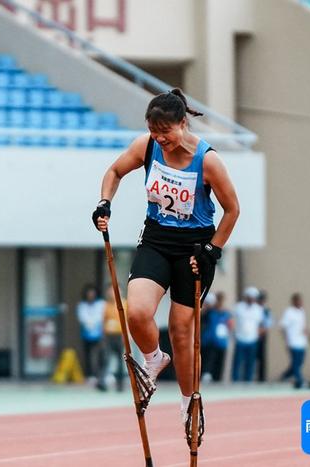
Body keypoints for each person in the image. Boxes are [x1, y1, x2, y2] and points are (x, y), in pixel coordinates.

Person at [92, 89, 240, 424]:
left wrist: (212, 250)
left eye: (166, 132)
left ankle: (189, 403)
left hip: (195, 249)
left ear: (183, 123)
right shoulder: (146, 146)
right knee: (139, 312)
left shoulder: (208, 160)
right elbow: (114, 172)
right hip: (157, 239)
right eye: (155, 132)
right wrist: (104, 202)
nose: (161, 139)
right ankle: (154, 357)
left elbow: (232, 210)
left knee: (180, 330)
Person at [279, 293, 310, 389]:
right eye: (299, 301)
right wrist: (287, 342)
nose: (301, 303)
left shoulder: (301, 312)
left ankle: (284, 376)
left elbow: (303, 327)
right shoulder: (288, 312)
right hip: (293, 342)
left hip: (301, 342)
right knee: (296, 364)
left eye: (301, 301)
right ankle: (300, 381)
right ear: (294, 301)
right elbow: (283, 328)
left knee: (299, 363)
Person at [231, 287, 265, 382]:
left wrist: (259, 333)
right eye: (250, 297)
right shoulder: (238, 307)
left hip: (252, 339)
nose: (251, 299)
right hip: (240, 338)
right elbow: (232, 320)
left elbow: (261, 324)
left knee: (250, 362)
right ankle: (235, 380)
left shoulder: (258, 309)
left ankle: (248, 380)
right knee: (238, 361)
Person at [97, 285, 125, 392]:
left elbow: (128, 321)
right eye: (110, 292)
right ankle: (102, 382)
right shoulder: (106, 305)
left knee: (120, 361)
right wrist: (102, 336)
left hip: (120, 335)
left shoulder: (125, 304)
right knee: (105, 359)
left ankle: (120, 384)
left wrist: (128, 335)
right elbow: (103, 321)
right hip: (108, 336)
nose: (112, 294)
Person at [201, 291, 233, 383]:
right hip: (209, 340)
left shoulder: (226, 313)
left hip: (221, 341)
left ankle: (217, 379)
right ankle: (206, 375)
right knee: (208, 360)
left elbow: (230, 325)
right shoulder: (210, 312)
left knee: (219, 362)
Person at [76, 284, 105, 382]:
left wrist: (94, 323)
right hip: (86, 334)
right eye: (89, 293)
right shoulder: (82, 305)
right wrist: (89, 323)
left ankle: (101, 375)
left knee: (101, 355)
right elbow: (82, 318)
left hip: (99, 333)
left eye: (92, 293)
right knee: (88, 355)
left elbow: (101, 317)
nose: (91, 295)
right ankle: (90, 375)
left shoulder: (101, 304)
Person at [255, 290, 274, 382]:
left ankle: (261, 377)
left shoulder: (266, 311)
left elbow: (269, 323)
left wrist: (262, 330)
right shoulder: (254, 308)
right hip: (252, 335)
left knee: (262, 357)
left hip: (262, 336)